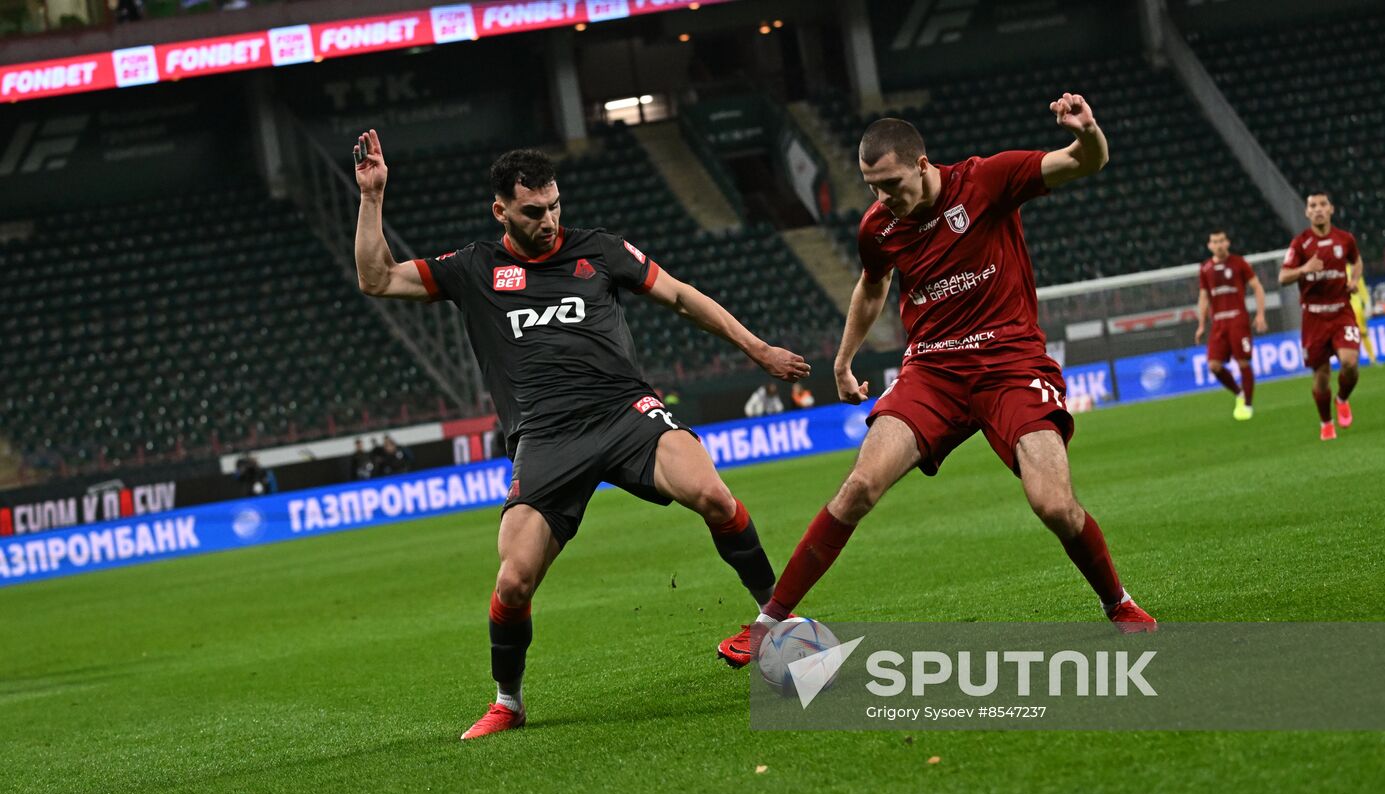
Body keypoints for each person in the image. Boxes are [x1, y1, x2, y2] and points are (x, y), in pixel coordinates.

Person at [351, 132, 810, 738]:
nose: (549, 220)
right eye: (533, 211)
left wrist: (757, 349)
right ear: (502, 211)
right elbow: (377, 279)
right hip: (545, 437)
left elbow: (680, 295)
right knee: (513, 581)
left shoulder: (601, 251)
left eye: (555, 206)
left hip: (624, 412)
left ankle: (777, 625)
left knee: (713, 493)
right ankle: (508, 703)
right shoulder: (473, 268)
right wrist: (373, 197)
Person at [718, 95, 1156, 668]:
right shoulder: (878, 226)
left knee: (1053, 505)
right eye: (872, 185)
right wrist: (844, 361)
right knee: (858, 488)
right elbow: (873, 286)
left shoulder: (988, 180)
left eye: (892, 183)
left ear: (923, 164)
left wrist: (1089, 130)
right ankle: (768, 622)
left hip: (1011, 363)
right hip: (933, 370)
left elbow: (1084, 162)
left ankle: (1118, 602)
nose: (882, 198)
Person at [1278, 192, 1363, 441]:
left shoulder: (1345, 239)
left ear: (1331, 209)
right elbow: (1283, 277)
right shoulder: (1300, 243)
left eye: (1322, 205)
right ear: (1307, 213)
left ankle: (1342, 399)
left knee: (1350, 363)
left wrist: (1355, 279)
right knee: (1322, 376)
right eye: (1312, 206)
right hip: (1314, 318)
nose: (1318, 209)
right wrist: (1304, 269)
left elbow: (1357, 262)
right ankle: (1326, 423)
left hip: (1341, 312)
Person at [1194, 230, 1268, 420]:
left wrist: (1260, 314)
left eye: (1221, 241)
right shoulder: (1205, 268)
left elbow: (1257, 287)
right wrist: (1201, 324)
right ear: (1209, 246)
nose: (1218, 245)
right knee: (1214, 366)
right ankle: (1239, 393)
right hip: (1218, 322)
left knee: (1243, 361)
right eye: (1214, 242)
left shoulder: (1239, 263)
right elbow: (1203, 297)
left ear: (1227, 243)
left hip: (1237, 320)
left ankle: (1248, 405)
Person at [1350, 272, 1378, 366]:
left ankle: (1371, 359)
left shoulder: (1348, 269)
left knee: (1357, 334)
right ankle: (1371, 358)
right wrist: (1367, 304)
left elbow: (1362, 289)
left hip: (1354, 308)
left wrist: (1366, 304)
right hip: (1354, 308)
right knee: (1361, 334)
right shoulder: (1354, 269)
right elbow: (1363, 290)